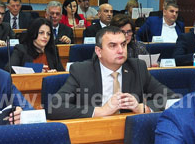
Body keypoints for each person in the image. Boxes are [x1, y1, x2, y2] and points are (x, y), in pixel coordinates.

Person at [46, 26, 174, 119]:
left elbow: (172, 98)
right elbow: (55, 106)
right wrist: (100, 111)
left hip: (130, 132)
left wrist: (143, 108)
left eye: (123, 44)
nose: (121, 50)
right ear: (98, 51)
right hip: (94, 133)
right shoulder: (82, 71)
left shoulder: (137, 67)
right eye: (113, 46)